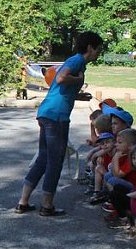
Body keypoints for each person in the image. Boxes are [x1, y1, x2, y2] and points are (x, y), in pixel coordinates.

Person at [16, 31, 102, 216]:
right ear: (90, 48)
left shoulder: (75, 61)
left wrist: (78, 94)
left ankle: (23, 202)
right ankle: (47, 205)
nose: (99, 54)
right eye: (98, 50)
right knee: (55, 161)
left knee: (43, 158)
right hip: (57, 116)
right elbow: (62, 78)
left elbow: (60, 86)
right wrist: (79, 80)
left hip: (47, 112)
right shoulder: (77, 61)